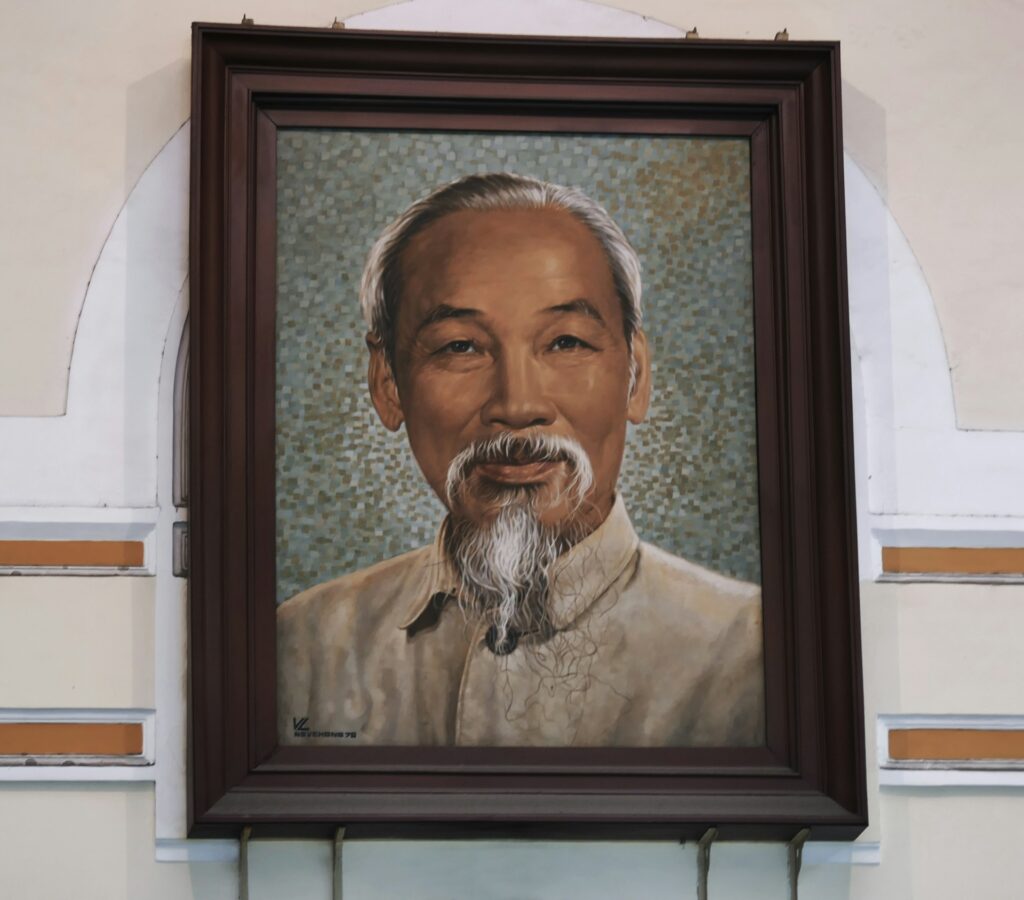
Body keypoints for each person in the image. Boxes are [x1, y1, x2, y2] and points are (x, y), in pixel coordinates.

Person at [277, 173, 763, 747]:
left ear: (635, 376)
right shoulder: (302, 648)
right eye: (460, 347)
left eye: (566, 343)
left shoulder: (750, 653)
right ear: (386, 384)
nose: (517, 405)